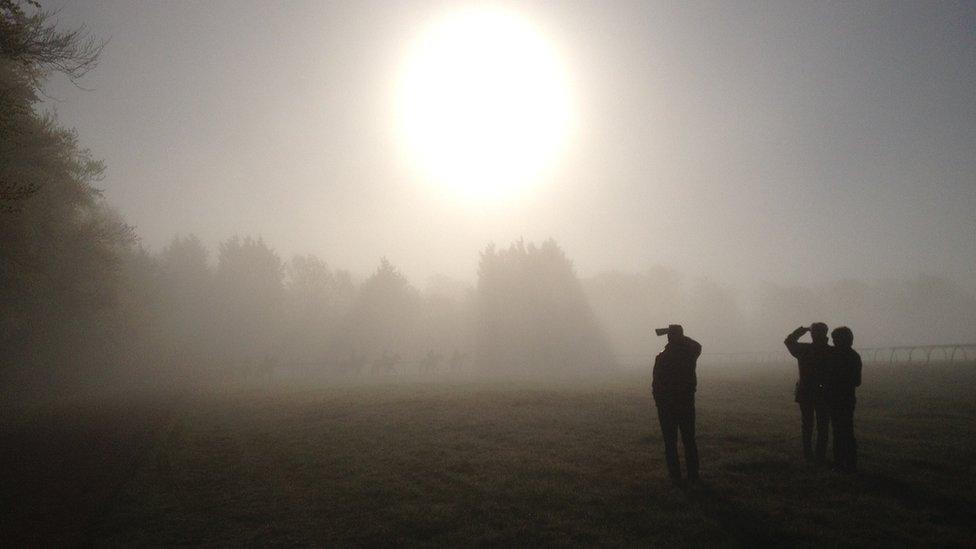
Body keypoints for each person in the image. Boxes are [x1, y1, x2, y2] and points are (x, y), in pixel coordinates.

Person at [652, 324, 702, 484]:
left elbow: (656, 383)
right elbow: (697, 345)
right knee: (689, 440)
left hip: (666, 406)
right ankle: (693, 475)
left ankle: (675, 476)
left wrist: (659, 402)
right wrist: (681, 335)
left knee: (670, 442)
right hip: (686, 402)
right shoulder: (689, 353)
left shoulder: (663, 356)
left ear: (669, 337)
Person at [784, 323, 832, 463]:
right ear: (825, 333)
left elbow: (789, 341)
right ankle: (820, 455)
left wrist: (802, 330)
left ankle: (808, 454)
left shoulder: (804, 349)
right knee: (823, 425)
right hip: (824, 392)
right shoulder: (831, 352)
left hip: (806, 392)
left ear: (812, 334)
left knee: (807, 425)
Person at [829, 326, 861, 472]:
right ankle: (850, 462)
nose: (833, 341)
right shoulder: (854, 356)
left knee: (838, 432)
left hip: (836, 399)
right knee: (847, 431)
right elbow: (857, 381)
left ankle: (839, 462)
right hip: (847, 399)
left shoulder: (833, 356)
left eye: (835, 339)